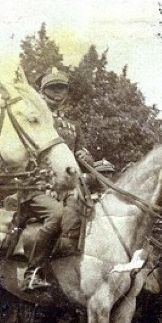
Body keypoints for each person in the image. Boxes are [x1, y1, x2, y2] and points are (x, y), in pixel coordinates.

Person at [19, 68, 95, 291]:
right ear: (41, 92)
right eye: (52, 88)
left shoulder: (72, 126)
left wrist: (86, 157)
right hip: (37, 189)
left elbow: (82, 154)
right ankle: (33, 272)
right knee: (58, 214)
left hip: (68, 189)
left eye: (61, 88)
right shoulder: (34, 120)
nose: (58, 93)